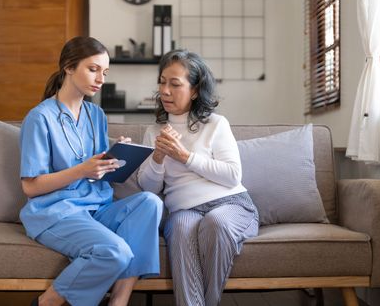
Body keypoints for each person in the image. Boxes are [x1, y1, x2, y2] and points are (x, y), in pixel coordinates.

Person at [19, 36, 163, 306]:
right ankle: (47, 301)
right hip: (56, 214)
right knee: (115, 251)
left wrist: (115, 156)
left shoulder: (96, 115)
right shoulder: (39, 118)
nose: (101, 79)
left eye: (105, 72)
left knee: (150, 202)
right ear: (69, 67)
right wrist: (81, 170)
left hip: (97, 208)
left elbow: (98, 171)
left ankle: (119, 301)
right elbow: (30, 186)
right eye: (93, 69)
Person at [137, 49, 259, 306]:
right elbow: (148, 187)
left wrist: (185, 156)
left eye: (175, 84)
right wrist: (158, 157)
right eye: (162, 82)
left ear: (194, 90)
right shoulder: (154, 131)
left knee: (216, 222)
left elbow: (232, 175)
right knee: (180, 227)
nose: (165, 91)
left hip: (230, 203)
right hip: (183, 210)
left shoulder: (216, 124)